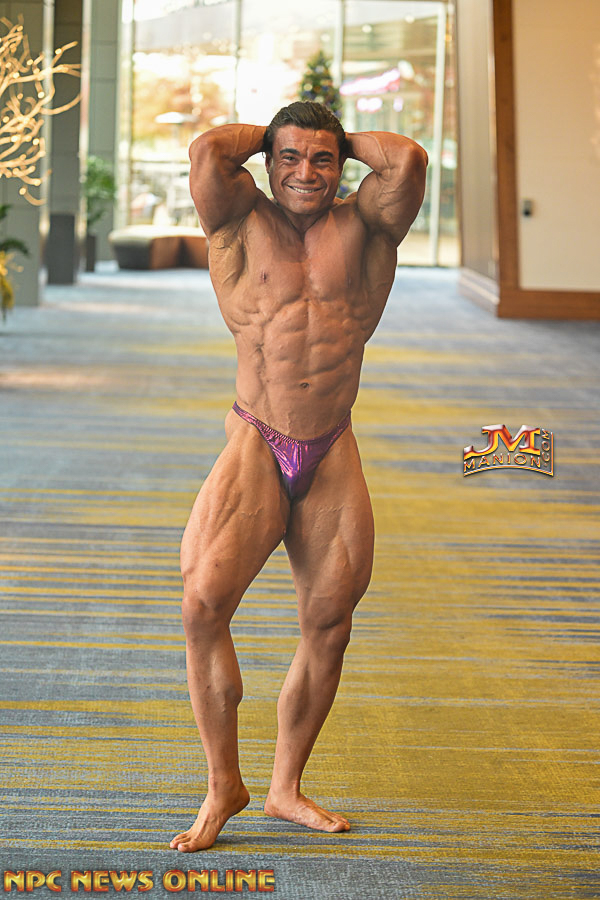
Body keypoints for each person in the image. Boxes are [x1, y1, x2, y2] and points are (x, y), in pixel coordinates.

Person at [170, 101, 427, 852]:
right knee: (203, 604)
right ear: (267, 161)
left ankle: (284, 787)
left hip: (332, 445)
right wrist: (278, 135)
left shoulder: (367, 226)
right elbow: (208, 150)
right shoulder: (237, 219)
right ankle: (223, 784)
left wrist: (332, 140)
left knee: (330, 623)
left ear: (343, 164)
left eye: (322, 160)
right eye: (289, 158)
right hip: (257, 436)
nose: (306, 173)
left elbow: (407, 160)